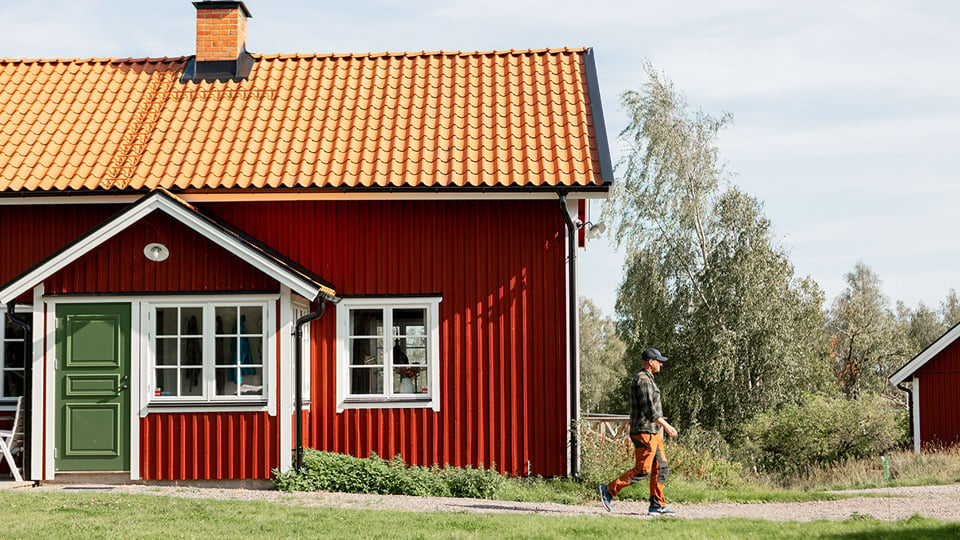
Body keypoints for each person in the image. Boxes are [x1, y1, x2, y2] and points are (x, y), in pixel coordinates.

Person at [598, 347, 678, 515]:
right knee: (642, 469)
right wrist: (667, 426)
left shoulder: (649, 379)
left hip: (653, 432)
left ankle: (657, 505)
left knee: (661, 467)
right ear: (651, 362)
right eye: (659, 362)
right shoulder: (643, 380)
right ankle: (608, 489)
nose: (661, 365)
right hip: (644, 431)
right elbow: (650, 411)